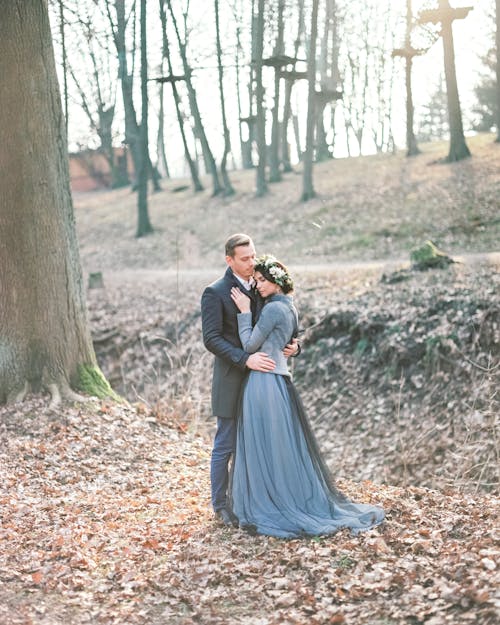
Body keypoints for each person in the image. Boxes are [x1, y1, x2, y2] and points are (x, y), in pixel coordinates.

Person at [229, 254, 385, 538]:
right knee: (278, 444)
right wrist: (296, 348)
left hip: (264, 380)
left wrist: (243, 312)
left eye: (263, 281)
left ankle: (273, 501)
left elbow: (250, 345)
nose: (258, 286)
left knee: (264, 443)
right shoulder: (289, 307)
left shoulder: (273, 310)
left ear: (276, 280)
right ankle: (284, 494)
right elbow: (290, 341)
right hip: (279, 381)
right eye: (256, 281)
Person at [201, 234, 299, 527]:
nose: (251, 263)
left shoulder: (261, 286)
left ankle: (255, 500)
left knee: (259, 443)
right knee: (226, 443)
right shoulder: (215, 292)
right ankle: (221, 505)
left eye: (253, 256)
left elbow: (285, 323)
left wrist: (296, 346)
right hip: (233, 378)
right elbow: (212, 339)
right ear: (229, 260)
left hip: (265, 381)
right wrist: (245, 359)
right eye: (244, 259)